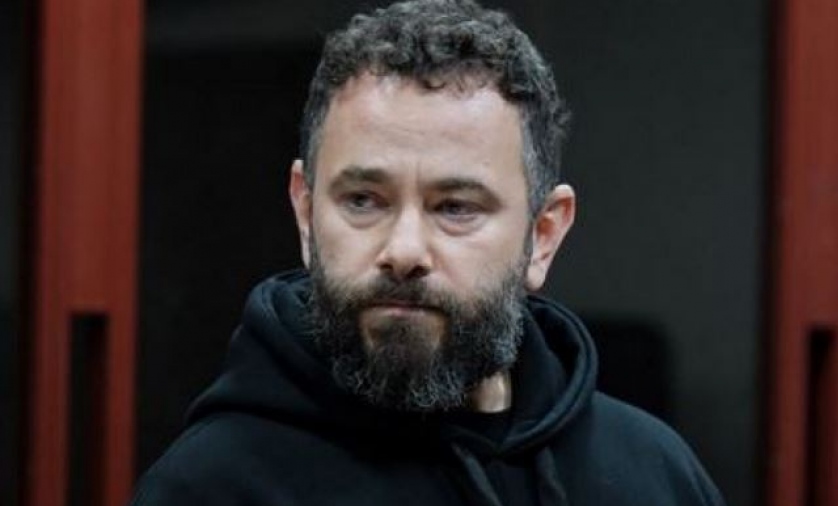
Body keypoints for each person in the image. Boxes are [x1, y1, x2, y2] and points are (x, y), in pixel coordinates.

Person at [130, 1, 726, 505]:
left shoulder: (651, 476)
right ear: (306, 215)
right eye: (364, 200)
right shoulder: (211, 485)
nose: (404, 250)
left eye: (455, 207)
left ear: (543, 235)